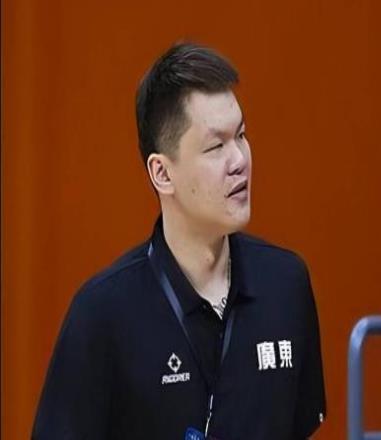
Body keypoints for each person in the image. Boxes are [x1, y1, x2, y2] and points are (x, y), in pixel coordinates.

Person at [32, 42, 326, 440]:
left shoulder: (286, 284)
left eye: (241, 135)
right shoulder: (101, 313)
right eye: (216, 146)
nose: (240, 160)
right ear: (162, 173)